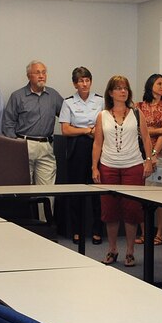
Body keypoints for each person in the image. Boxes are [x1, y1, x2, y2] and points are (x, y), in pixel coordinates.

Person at [91, 75, 155, 267]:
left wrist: (149, 160)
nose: (123, 91)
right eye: (118, 88)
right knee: (109, 211)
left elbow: (146, 138)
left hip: (133, 166)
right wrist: (94, 166)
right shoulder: (102, 115)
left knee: (132, 211)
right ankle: (112, 249)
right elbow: (97, 143)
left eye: (125, 88)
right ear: (110, 93)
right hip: (108, 166)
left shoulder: (136, 113)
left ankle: (130, 251)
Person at [59, 66, 104, 244]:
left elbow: (105, 123)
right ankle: (76, 230)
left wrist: (93, 131)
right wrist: (86, 130)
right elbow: (65, 129)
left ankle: (96, 230)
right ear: (74, 84)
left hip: (97, 146)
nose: (84, 84)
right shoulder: (68, 102)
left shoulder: (100, 101)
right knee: (76, 191)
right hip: (77, 148)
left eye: (87, 80)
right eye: (81, 81)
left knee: (96, 190)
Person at [2, 60, 63, 185]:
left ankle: (45, 206)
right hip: (24, 145)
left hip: (46, 146)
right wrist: (16, 143)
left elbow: (66, 116)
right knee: (23, 186)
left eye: (44, 72)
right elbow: (8, 122)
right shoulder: (18, 96)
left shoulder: (53, 95)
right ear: (29, 76)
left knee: (47, 189)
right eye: (37, 72)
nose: (41, 76)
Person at [136, 73, 162, 246]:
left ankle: (159, 233)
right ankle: (145, 233)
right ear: (150, 84)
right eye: (159, 83)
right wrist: (157, 130)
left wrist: (152, 153)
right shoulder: (139, 106)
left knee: (161, 196)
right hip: (140, 155)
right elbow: (138, 131)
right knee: (141, 195)